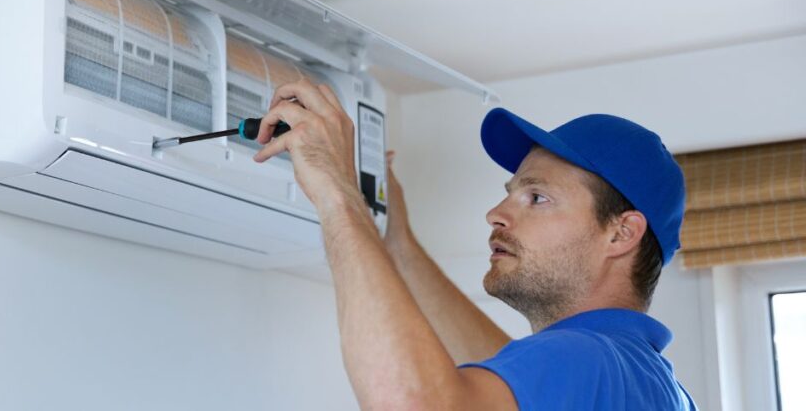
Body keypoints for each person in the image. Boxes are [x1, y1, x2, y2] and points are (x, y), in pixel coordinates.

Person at [253, 80, 698, 410]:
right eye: (510, 192)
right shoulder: (653, 383)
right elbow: (508, 366)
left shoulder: (586, 359)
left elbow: (413, 404)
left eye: (537, 197)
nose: (496, 213)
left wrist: (337, 192)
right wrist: (399, 247)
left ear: (621, 234)